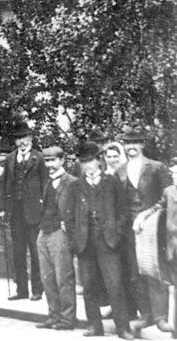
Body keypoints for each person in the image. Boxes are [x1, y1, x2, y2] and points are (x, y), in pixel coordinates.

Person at [72, 141, 133, 339]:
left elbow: (124, 211)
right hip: (85, 242)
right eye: (83, 162)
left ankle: (123, 328)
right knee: (88, 286)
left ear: (99, 161)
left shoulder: (112, 182)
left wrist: (116, 233)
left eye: (90, 161)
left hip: (108, 241)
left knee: (114, 284)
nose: (87, 165)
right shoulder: (77, 185)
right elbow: (70, 215)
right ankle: (94, 326)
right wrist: (76, 237)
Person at [116, 126, 173, 334]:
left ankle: (161, 317)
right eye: (128, 143)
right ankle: (146, 315)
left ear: (142, 144)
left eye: (135, 143)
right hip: (130, 232)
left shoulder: (157, 167)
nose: (131, 147)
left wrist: (148, 214)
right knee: (135, 273)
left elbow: (168, 199)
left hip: (153, 230)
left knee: (155, 271)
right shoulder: (119, 171)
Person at [1, 120, 45, 301]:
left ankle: (37, 290)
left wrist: (45, 210)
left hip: (34, 212)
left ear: (31, 138)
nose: (22, 142)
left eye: (25, 137)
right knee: (17, 252)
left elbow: (45, 185)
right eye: (18, 139)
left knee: (35, 252)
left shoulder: (39, 158)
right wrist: (3, 209)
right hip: (15, 212)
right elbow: (5, 186)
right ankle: (21, 290)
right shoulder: (10, 159)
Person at [35, 146, 78, 330]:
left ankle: (67, 319)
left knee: (64, 277)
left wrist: (67, 228)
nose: (50, 165)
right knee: (47, 278)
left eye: (53, 160)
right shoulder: (47, 180)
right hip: (44, 232)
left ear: (62, 160)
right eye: (47, 161)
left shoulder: (72, 182)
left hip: (59, 234)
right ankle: (53, 315)